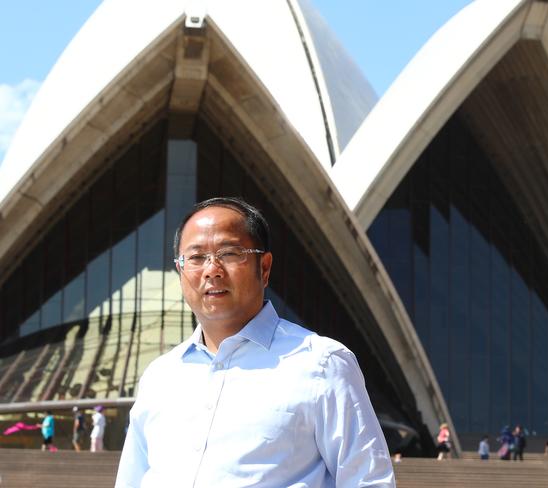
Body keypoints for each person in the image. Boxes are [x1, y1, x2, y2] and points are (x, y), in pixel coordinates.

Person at [115, 197, 394, 487]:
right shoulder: (160, 376)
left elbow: (368, 481)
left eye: (230, 253)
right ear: (180, 270)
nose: (212, 270)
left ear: (264, 267)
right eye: (196, 258)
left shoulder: (321, 364)